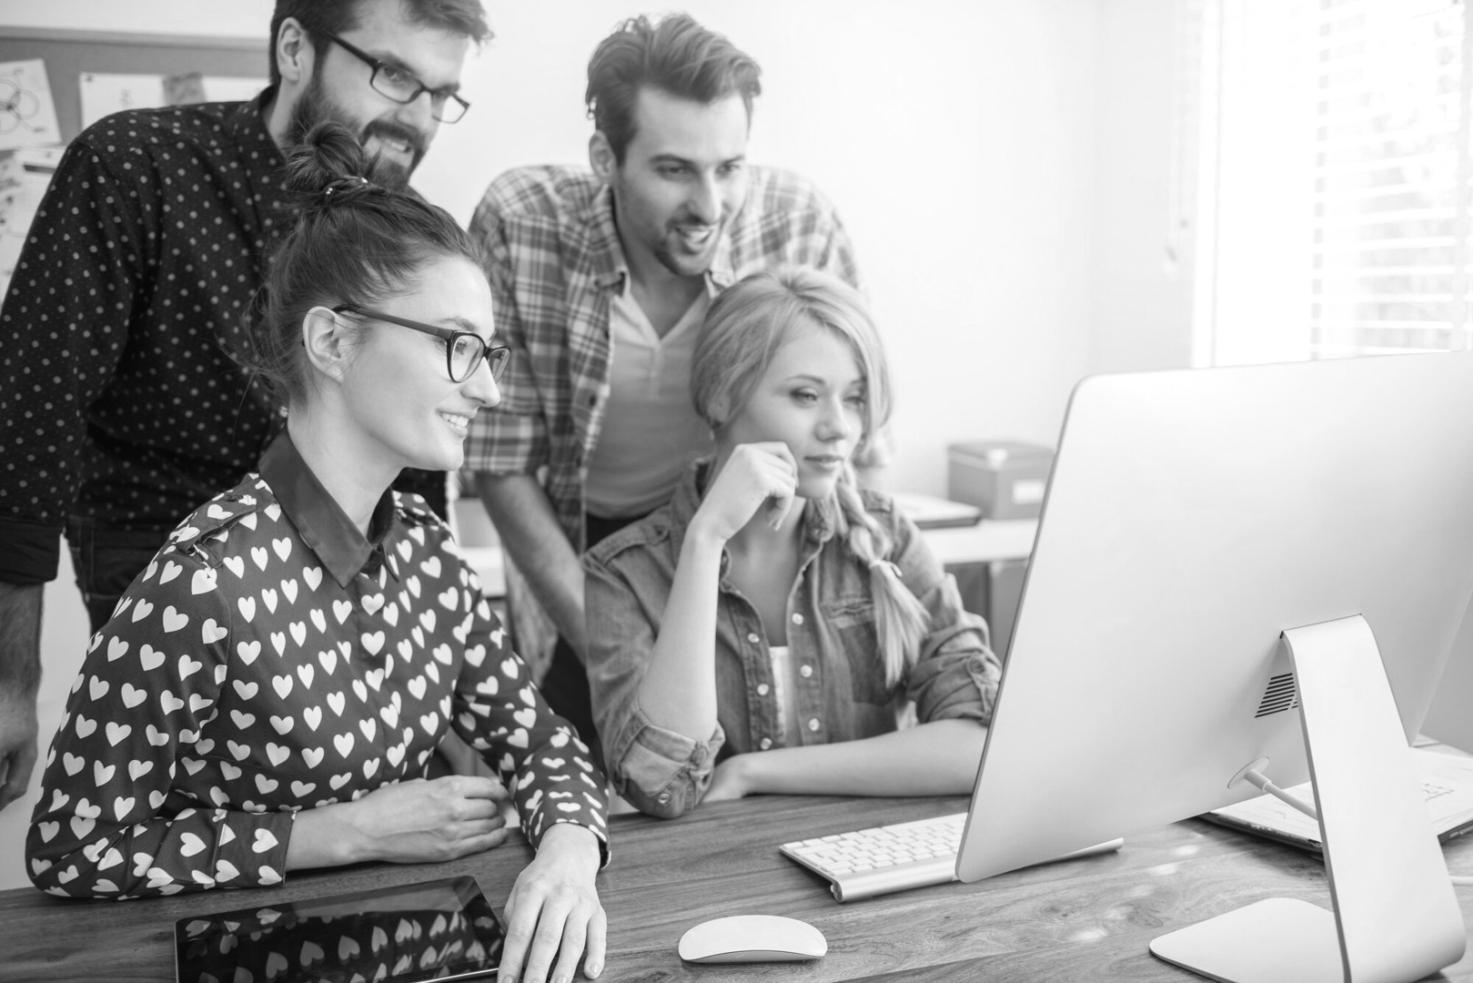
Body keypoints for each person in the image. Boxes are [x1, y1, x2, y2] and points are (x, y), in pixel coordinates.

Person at [26, 124, 609, 983]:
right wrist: (350, 830)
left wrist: (566, 856)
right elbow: (70, 848)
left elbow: (543, 745)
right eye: (457, 344)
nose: (485, 386)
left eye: (488, 352)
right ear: (332, 342)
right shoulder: (201, 584)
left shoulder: (433, 558)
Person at [0, 0, 490, 812]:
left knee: (382, 844)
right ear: (295, 48)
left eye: (442, 94)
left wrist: (442, 685)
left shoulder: (400, 238)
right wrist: (11, 679)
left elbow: (413, 464)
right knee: (177, 858)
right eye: (397, 76)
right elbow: (27, 418)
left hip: (353, 597)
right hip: (164, 587)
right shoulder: (136, 168)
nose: (418, 120)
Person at [466, 13, 861, 760]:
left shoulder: (799, 226)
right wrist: (608, 642)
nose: (710, 206)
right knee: (601, 800)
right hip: (584, 549)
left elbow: (850, 424)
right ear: (603, 158)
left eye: (729, 168)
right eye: (674, 170)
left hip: (748, 542)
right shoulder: (520, 224)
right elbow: (498, 458)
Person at [584, 268, 1002, 819]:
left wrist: (754, 773)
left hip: (862, 869)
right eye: (806, 395)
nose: (841, 428)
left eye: (853, 399)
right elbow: (660, 786)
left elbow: (982, 748)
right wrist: (705, 542)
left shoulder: (886, 536)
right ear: (721, 395)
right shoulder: (622, 574)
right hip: (718, 891)